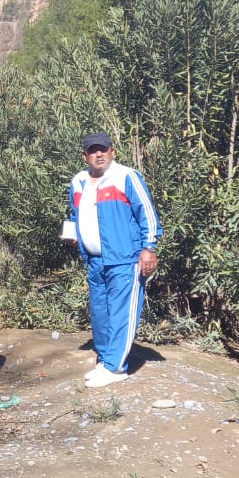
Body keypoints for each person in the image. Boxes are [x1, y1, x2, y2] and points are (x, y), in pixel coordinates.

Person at [66, 132, 162, 388]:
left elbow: (148, 214)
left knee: (121, 313)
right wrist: (73, 234)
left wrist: (149, 248)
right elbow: (75, 216)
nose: (99, 154)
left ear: (112, 152)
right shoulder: (77, 182)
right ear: (84, 155)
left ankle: (116, 367)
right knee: (101, 313)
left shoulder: (126, 176)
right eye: (93, 150)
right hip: (95, 261)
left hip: (124, 258)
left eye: (103, 149)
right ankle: (105, 359)